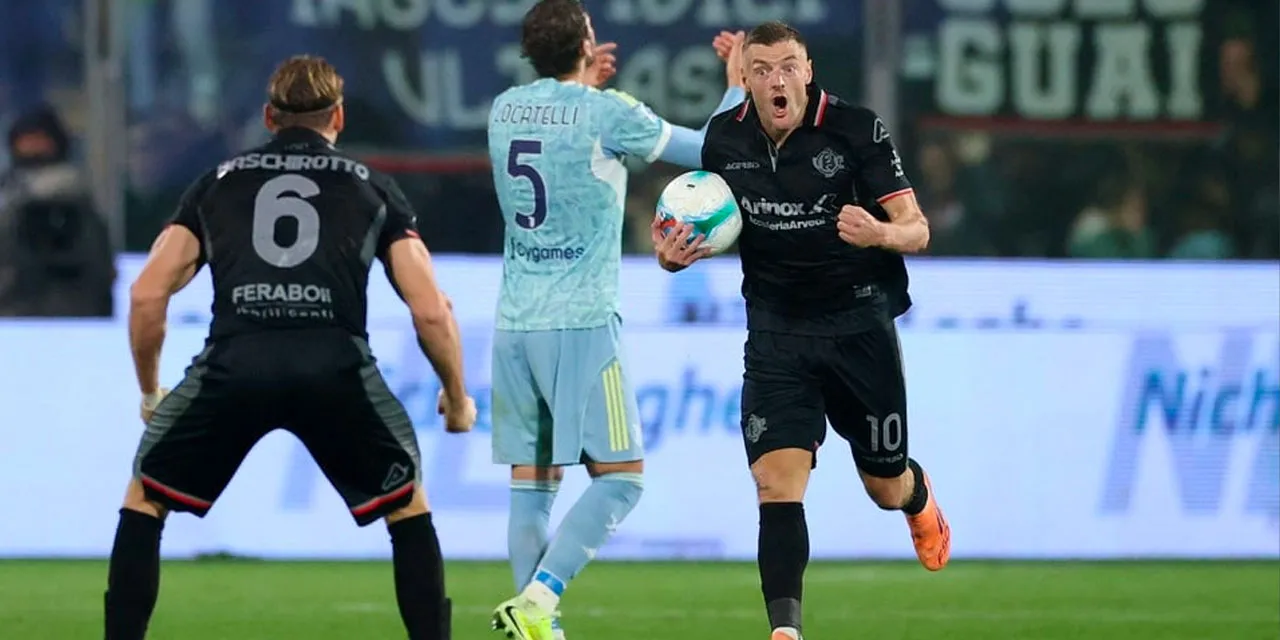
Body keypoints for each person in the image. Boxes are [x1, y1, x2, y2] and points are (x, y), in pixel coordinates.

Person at [104, 55, 476, 640]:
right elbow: (431, 309)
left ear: (268, 117)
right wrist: (456, 397)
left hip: (236, 363)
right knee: (407, 505)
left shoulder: (216, 184)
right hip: (336, 367)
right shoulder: (372, 187)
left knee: (146, 497)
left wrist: (151, 392)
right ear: (339, 117)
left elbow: (147, 295)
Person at [652, 22, 951, 640]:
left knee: (883, 486)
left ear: (808, 71)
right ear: (745, 79)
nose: (777, 80)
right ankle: (785, 631)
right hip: (777, 331)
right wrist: (674, 257)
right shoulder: (723, 142)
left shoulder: (856, 129)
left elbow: (917, 229)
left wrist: (880, 233)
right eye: (761, 69)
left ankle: (917, 496)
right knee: (775, 484)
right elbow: (704, 220)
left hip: (857, 326)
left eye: (788, 65)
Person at [485, 1, 745, 638]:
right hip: (581, 321)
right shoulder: (609, 113)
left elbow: (557, 124)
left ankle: (534, 625)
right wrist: (736, 84)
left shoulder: (504, 109)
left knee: (533, 485)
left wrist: (581, 85)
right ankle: (538, 601)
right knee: (623, 479)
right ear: (587, 45)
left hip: (515, 322)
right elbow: (709, 150)